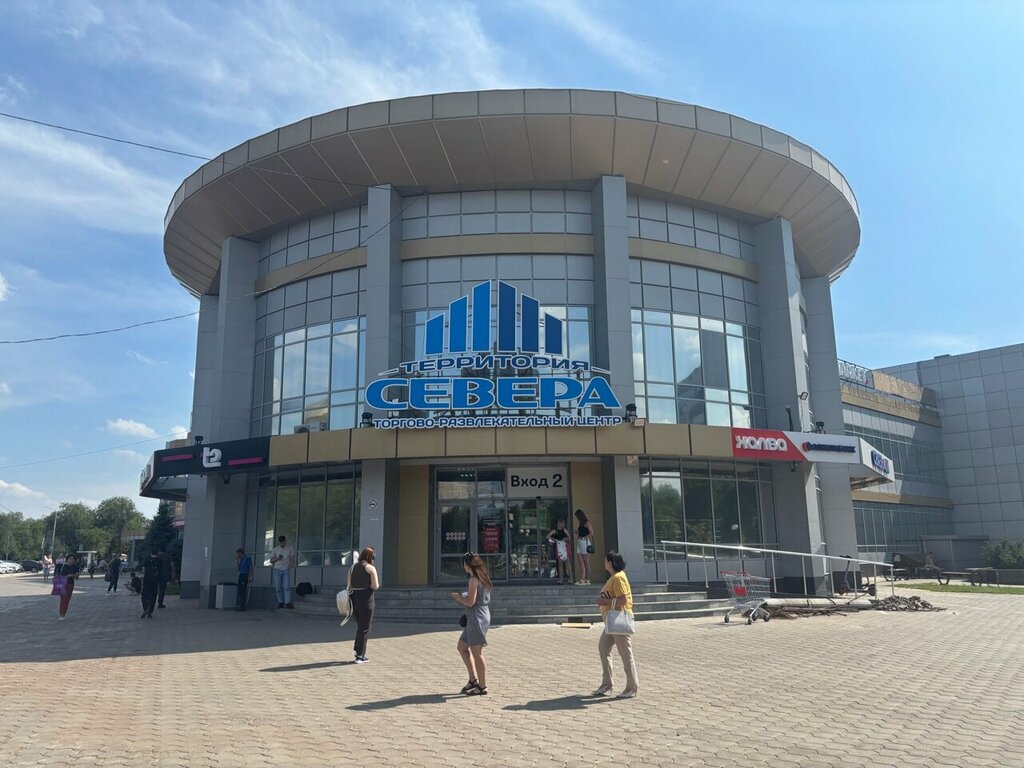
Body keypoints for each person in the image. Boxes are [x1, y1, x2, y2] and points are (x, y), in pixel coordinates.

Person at [593, 551, 638, 699]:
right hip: (611, 622)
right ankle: (607, 684)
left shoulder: (618, 578)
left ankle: (632, 687)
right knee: (603, 647)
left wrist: (604, 602)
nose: (604, 563)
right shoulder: (614, 577)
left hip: (618, 620)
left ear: (610, 563)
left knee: (625, 653)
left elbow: (623, 600)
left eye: (605, 561)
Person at [451, 552, 492, 696]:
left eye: (464, 564)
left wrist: (458, 598)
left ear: (468, 565)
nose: (463, 566)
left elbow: (470, 602)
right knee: (462, 647)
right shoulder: (482, 577)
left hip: (476, 618)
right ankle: (473, 679)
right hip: (479, 615)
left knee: (477, 652)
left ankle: (482, 686)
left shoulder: (474, 580)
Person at [348, 547, 380, 663]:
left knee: (360, 625)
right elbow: (375, 586)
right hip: (366, 598)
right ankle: (360, 655)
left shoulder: (352, 567)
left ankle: (358, 649)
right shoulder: (370, 568)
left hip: (354, 597)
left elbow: (349, 584)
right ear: (371, 557)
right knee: (365, 627)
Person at [269, 535, 295, 609]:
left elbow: (292, 558)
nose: (282, 544)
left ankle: (287, 603)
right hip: (277, 570)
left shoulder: (289, 548)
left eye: (283, 542)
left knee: (286, 587)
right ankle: (280, 602)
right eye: (281, 542)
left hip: (285, 570)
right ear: (279, 542)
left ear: (285, 541)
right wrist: (278, 558)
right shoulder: (275, 549)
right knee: (278, 587)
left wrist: (289, 567)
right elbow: (271, 561)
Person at [55, 554, 81, 620]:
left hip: (70, 584)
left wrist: (72, 575)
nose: (71, 560)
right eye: (70, 559)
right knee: (63, 599)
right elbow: (56, 574)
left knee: (67, 599)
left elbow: (77, 576)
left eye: (73, 559)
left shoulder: (75, 567)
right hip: (62, 583)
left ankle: (63, 613)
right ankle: (61, 613)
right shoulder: (62, 566)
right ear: (67, 559)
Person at [546, 519, 572, 584]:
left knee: (567, 563)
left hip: (565, 547)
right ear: (557, 524)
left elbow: (569, 537)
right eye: (559, 523)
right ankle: (561, 579)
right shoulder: (555, 531)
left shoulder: (565, 530)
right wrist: (553, 539)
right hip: (559, 547)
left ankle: (571, 579)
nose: (560, 525)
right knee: (560, 564)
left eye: (561, 523)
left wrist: (564, 539)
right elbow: (547, 536)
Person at [574, 509, 594, 585]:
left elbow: (591, 532)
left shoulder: (586, 522)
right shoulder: (581, 523)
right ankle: (582, 579)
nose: (577, 518)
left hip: (584, 541)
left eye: (577, 516)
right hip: (580, 541)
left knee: (586, 561)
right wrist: (578, 532)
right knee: (581, 561)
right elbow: (583, 531)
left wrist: (584, 538)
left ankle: (587, 579)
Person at [140, 552, 162, 618]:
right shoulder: (159, 561)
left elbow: (143, 570)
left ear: (150, 553)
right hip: (155, 581)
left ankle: (145, 608)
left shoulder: (147, 559)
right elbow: (160, 571)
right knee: (153, 597)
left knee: (144, 596)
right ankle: (150, 612)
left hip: (147, 580)